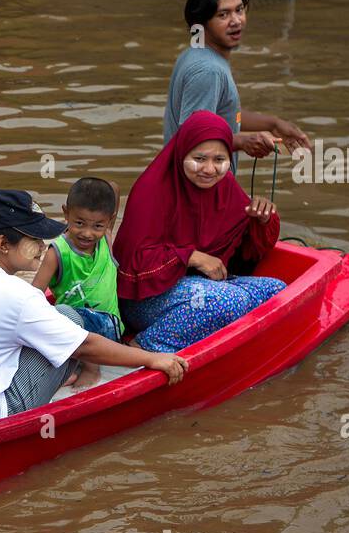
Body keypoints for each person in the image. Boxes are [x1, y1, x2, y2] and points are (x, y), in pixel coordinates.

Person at [0, 190, 188, 426]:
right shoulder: (18, 296)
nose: (42, 246)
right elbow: (84, 346)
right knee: (69, 317)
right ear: (2, 244)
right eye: (33, 239)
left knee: (52, 322)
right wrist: (152, 359)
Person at [115, 111, 286, 353]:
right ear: (182, 152)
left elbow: (247, 249)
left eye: (219, 160)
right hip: (144, 297)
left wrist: (262, 219)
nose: (209, 169)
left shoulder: (224, 185)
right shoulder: (151, 191)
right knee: (231, 302)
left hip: (199, 287)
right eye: (199, 158)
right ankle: (141, 347)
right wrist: (193, 256)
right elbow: (133, 262)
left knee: (275, 290)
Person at [164, 0, 313, 163]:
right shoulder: (208, 70)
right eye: (223, 15)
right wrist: (243, 142)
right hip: (196, 185)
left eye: (239, 10)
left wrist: (273, 125)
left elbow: (225, 115)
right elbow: (193, 138)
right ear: (202, 23)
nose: (236, 21)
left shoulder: (196, 52)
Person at [31, 175, 123, 343]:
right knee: (64, 313)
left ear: (109, 220)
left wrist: (100, 191)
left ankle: (92, 368)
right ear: (66, 213)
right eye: (79, 223)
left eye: (97, 226)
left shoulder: (105, 238)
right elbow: (34, 294)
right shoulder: (58, 252)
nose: (87, 233)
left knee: (63, 312)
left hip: (108, 327)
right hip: (71, 332)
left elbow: (114, 187)